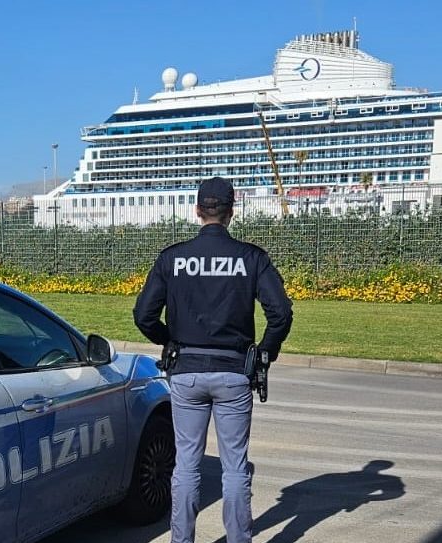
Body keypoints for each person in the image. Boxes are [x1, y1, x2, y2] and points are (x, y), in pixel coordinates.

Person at [133, 177, 293, 543]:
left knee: (186, 464)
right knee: (234, 465)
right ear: (231, 212)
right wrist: (265, 352)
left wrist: (169, 340)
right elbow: (280, 313)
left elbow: (143, 315)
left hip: (186, 371)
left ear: (197, 211)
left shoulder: (172, 257)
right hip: (234, 371)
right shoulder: (251, 258)